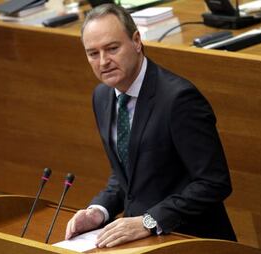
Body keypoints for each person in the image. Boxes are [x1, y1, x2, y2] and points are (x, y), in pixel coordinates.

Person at [65, 3, 236, 248]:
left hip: (191, 240)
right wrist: (99, 211)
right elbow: (128, 174)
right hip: (140, 242)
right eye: (93, 53)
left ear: (136, 41)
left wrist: (149, 221)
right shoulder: (102, 96)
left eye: (112, 48)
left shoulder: (178, 99)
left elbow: (214, 183)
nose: (103, 62)